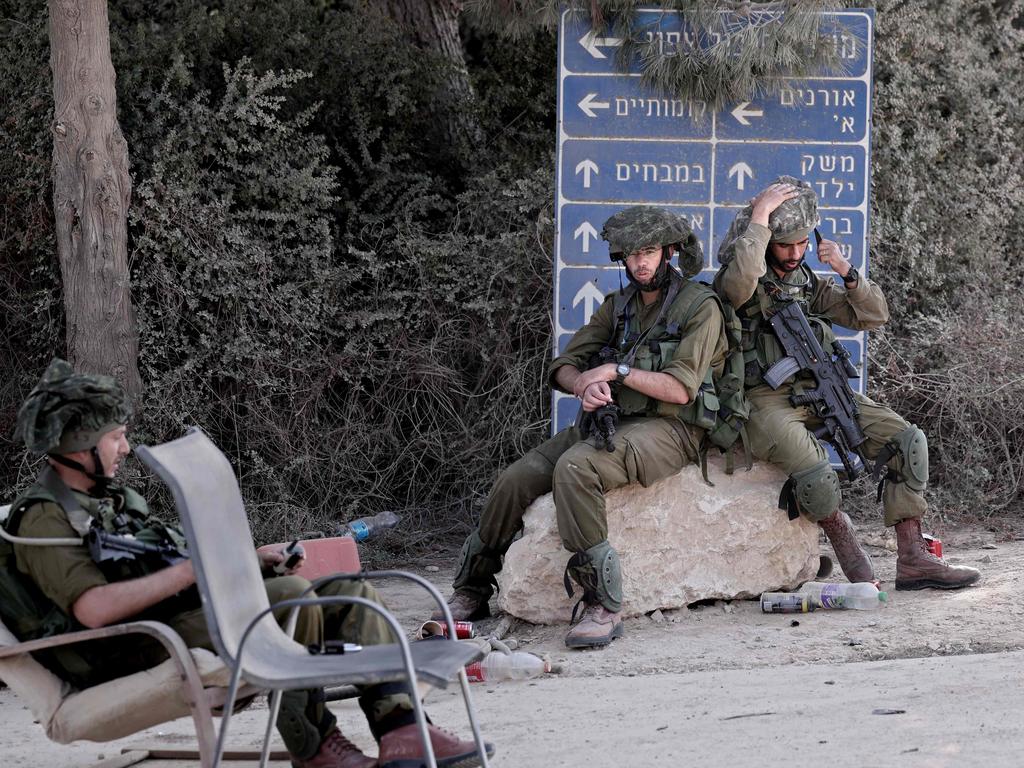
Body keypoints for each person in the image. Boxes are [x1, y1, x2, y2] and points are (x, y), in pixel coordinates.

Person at [6, 358, 493, 768]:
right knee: (289, 599)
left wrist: (252, 562)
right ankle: (315, 746)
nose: (126, 449)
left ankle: (403, 731)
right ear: (77, 446)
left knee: (352, 594)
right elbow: (91, 610)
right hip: (130, 646)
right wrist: (191, 571)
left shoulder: (114, 499)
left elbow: (173, 557)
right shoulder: (43, 519)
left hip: (181, 617)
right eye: (115, 437)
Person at [438, 206, 729, 648]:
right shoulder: (619, 306)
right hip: (612, 418)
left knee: (576, 468)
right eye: (631, 255)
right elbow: (563, 367)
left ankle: (604, 603)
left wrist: (616, 371)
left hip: (672, 429)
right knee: (516, 478)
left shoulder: (699, 306)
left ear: (668, 251)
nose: (641, 262)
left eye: (649, 251)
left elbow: (681, 389)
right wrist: (585, 385)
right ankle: (472, 589)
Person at [712, 176, 980, 590]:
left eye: (802, 244)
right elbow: (737, 284)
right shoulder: (745, 279)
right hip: (765, 398)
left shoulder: (805, 282)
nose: (795, 254)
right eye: (785, 245)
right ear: (765, 242)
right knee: (815, 470)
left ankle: (912, 558)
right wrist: (761, 215)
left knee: (907, 441)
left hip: (820, 387)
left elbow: (871, 316)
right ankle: (842, 537)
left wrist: (846, 270)